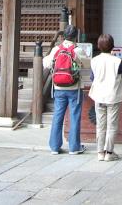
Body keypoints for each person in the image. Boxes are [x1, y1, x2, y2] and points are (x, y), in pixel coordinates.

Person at [43, 24, 86, 155]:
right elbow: (86, 64)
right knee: (74, 116)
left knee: (58, 115)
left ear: (63, 36)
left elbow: (46, 63)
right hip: (74, 87)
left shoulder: (56, 49)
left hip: (58, 87)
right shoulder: (77, 50)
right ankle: (74, 147)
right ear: (75, 36)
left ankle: (54, 147)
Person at [89, 34, 122, 162]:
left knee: (100, 126)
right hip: (113, 96)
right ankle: (109, 153)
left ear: (98, 46)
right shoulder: (117, 61)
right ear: (112, 46)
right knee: (112, 126)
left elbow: (92, 78)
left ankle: (100, 152)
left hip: (99, 96)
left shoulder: (94, 60)